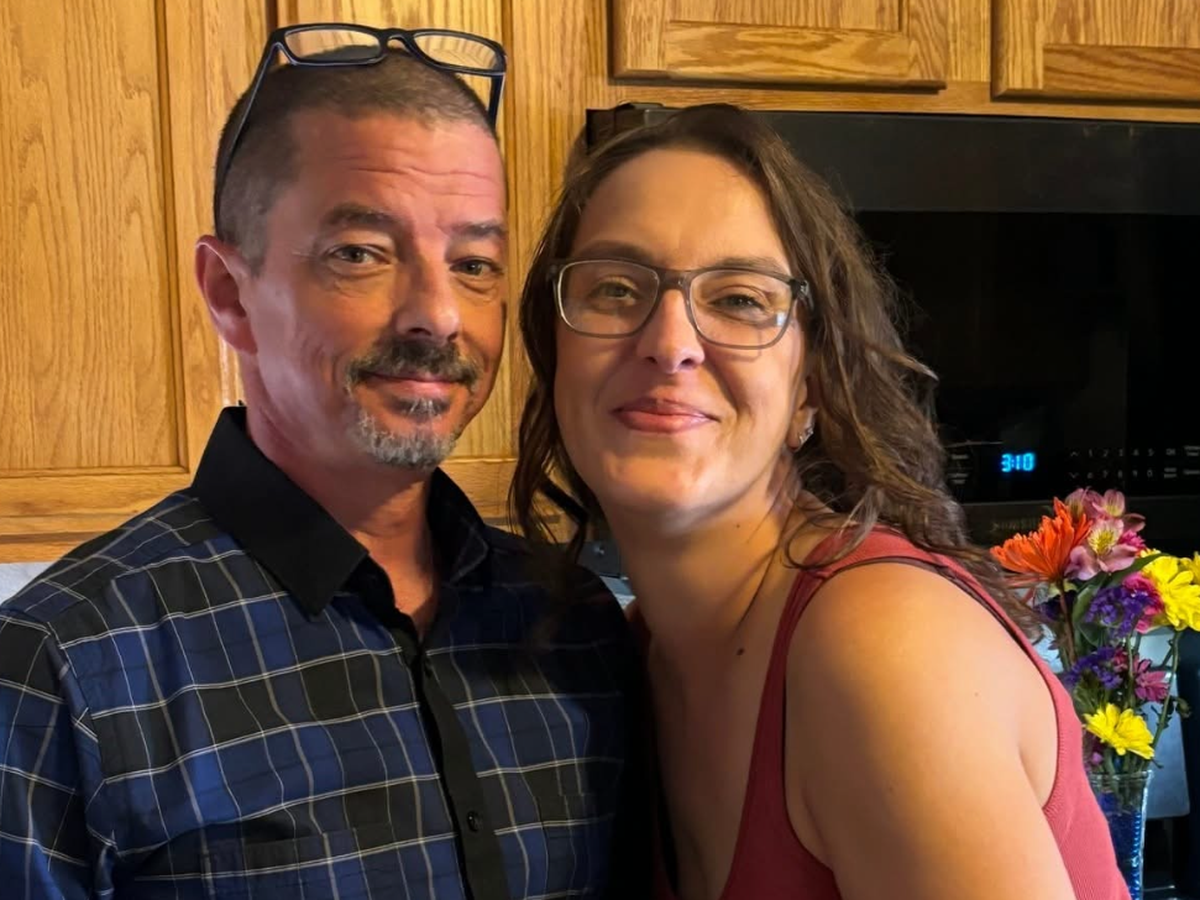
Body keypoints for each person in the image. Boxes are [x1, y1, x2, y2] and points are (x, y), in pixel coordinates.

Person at [0, 25, 646, 900]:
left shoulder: (575, 627)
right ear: (229, 294)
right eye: (360, 255)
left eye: (474, 263)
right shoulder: (60, 669)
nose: (438, 315)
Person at [512, 104, 1129, 900]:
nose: (669, 343)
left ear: (810, 386)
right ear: (555, 353)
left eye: (740, 299)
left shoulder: (882, 646)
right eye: (616, 288)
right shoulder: (637, 659)